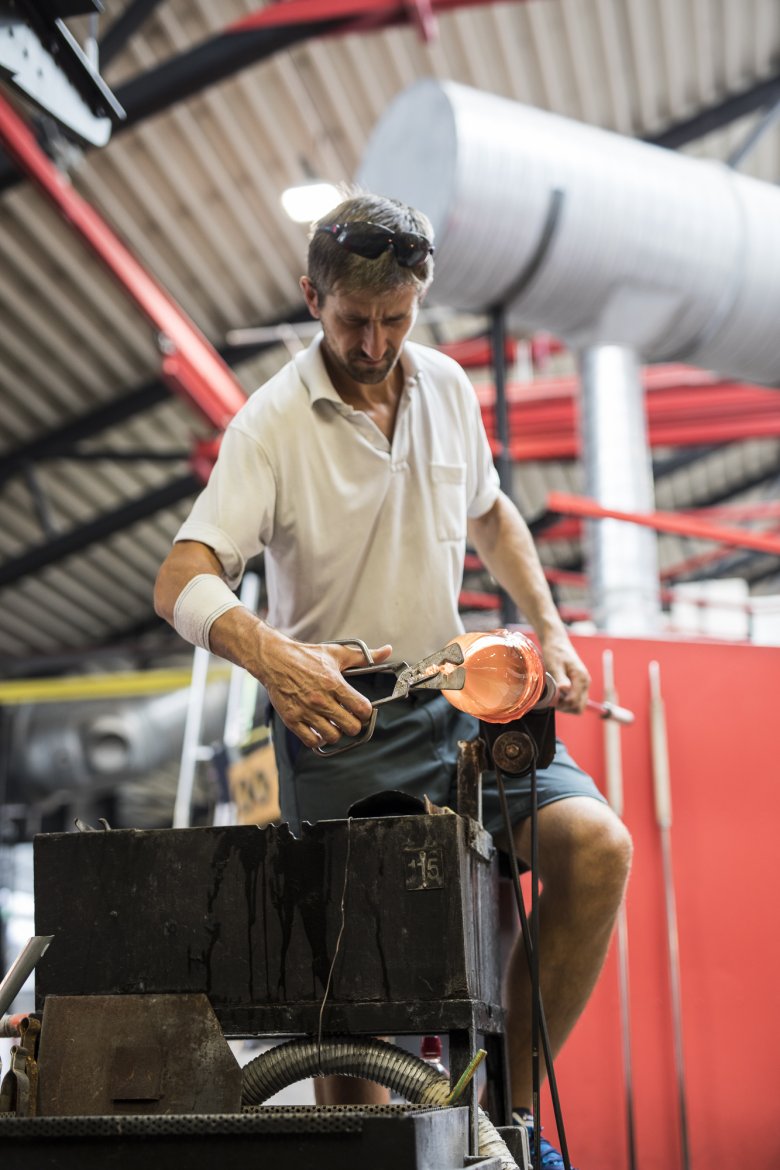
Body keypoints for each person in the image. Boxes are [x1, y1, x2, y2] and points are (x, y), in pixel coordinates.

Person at [154, 191, 632, 1167]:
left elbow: (494, 516)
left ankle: (502, 1117)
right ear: (310, 298)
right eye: (350, 321)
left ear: (419, 301)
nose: (373, 344)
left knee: (597, 848)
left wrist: (553, 629)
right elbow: (181, 577)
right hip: (343, 724)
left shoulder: (450, 389)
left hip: (456, 699)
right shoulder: (271, 425)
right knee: (353, 1000)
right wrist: (270, 651)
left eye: (395, 319)